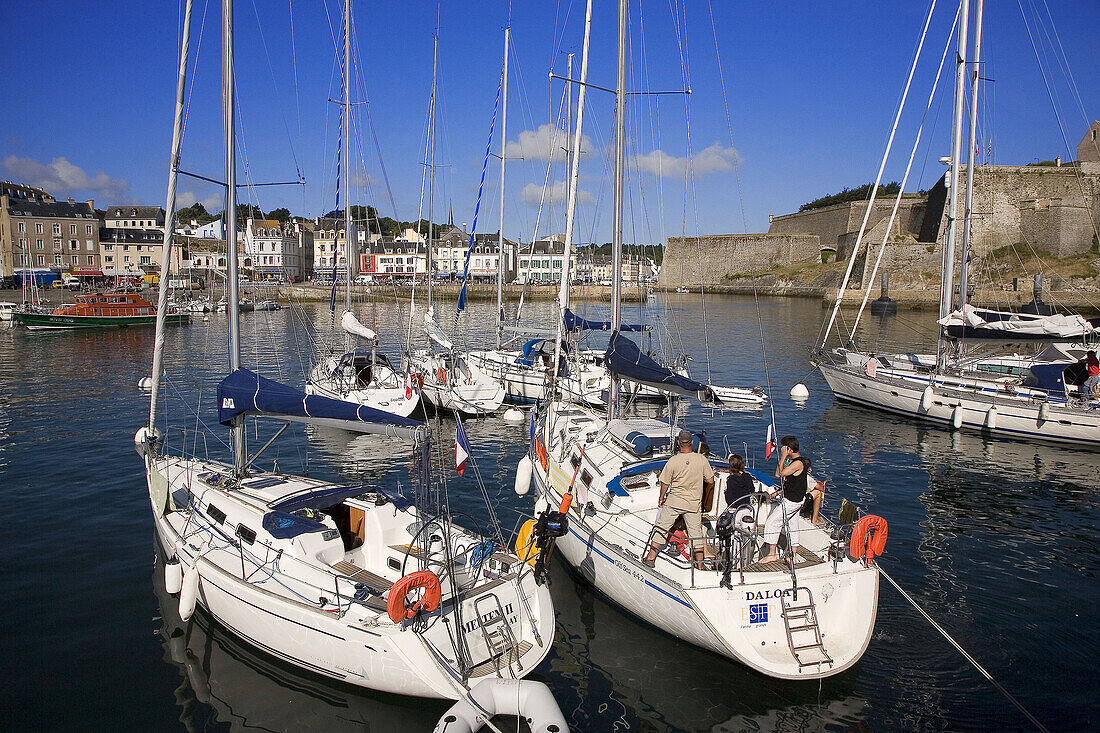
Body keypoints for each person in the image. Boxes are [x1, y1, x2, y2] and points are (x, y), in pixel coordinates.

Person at [642, 429, 715, 569]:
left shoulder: (673, 461)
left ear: (678, 443)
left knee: (662, 528)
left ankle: (651, 558)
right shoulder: (701, 459)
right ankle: (700, 565)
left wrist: (661, 497)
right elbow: (710, 480)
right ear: (692, 443)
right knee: (696, 534)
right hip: (693, 503)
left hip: (674, 501)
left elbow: (665, 482)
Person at [759, 435, 809, 564]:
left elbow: (778, 474)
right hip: (796, 499)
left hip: (791, 501)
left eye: (783, 448)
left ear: (789, 449)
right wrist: (780, 491)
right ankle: (793, 555)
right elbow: (794, 482)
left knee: (772, 522)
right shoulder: (799, 462)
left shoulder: (797, 463)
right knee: (793, 526)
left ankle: (771, 554)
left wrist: (783, 457)